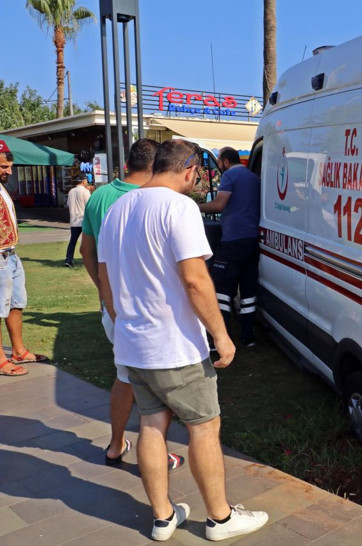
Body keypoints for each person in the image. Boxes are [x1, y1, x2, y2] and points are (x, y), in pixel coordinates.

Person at [97, 140, 268, 541]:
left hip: (134, 343)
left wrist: (123, 322)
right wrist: (221, 335)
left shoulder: (118, 207)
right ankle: (220, 519)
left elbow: (105, 277)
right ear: (190, 170)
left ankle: (163, 517)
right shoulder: (180, 207)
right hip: (174, 346)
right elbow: (195, 280)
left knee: (151, 424)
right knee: (204, 427)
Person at [79, 138, 183, 470]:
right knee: (160, 385)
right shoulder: (160, 199)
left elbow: (86, 250)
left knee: (125, 376)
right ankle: (156, 453)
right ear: (155, 167)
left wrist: (103, 290)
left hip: (113, 307)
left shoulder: (100, 196)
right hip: (153, 310)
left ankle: (115, 444)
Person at [198, 147, 261, 347]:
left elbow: (218, 205)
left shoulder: (229, 176)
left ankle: (221, 338)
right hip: (253, 240)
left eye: (219, 162)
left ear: (225, 162)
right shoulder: (254, 178)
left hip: (233, 240)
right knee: (248, 290)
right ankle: (248, 336)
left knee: (221, 289)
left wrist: (194, 207)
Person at [0, 142, 47, 377]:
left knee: (16, 303)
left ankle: (18, 351)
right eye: (4, 167)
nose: (9, 171)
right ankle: (0, 360)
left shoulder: (2, 187)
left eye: (10, 166)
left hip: (10, 254)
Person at [64, 178, 90, 267]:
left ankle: (68, 259)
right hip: (84, 220)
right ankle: (89, 259)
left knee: (73, 241)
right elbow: (89, 204)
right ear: (83, 181)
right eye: (86, 181)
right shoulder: (85, 192)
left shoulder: (71, 191)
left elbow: (68, 204)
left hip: (74, 220)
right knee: (88, 241)